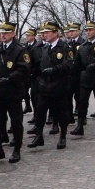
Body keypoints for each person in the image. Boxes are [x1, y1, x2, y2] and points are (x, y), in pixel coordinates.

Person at [0, 22, 30, 164]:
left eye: (6, 32)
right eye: (1, 32)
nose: (2, 35)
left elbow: (24, 69)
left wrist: (9, 78)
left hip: (13, 91)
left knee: (16, 121)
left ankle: (17, 149)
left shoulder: (20, 49)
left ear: (13, 33)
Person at [28, 21, 73, 149]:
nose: (45, 34)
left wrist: (55, 69)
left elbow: (69, 64)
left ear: (55, 33)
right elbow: (39, 65)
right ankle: (39, 136)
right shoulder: (45, 48)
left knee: (61, 112)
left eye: (47, 32)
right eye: (44, 32)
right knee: (40, 112)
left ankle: (63, 136)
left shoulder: (64, 47)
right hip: (45, 86)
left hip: (60, 85)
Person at [67, 23, 85, 123]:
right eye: (70, 31)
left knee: (80, 97)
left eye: (73, 31)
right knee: (68, 96)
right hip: (70, 74)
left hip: (79, 74)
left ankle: (82, 116)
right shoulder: (68, 43)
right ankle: (70, 116)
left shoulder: (83, 42)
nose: (71, 33)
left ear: (78, 31)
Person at [22, 28, 37, 114]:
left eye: (29, 35)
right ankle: (28, 105)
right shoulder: (24, 46)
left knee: (34, 95)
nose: (27, 37)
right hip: (26, 72)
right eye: (26, 35)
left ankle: (36, 113)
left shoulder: (37, 45)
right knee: (24, 90)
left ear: (33, 36)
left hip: (34, 72)